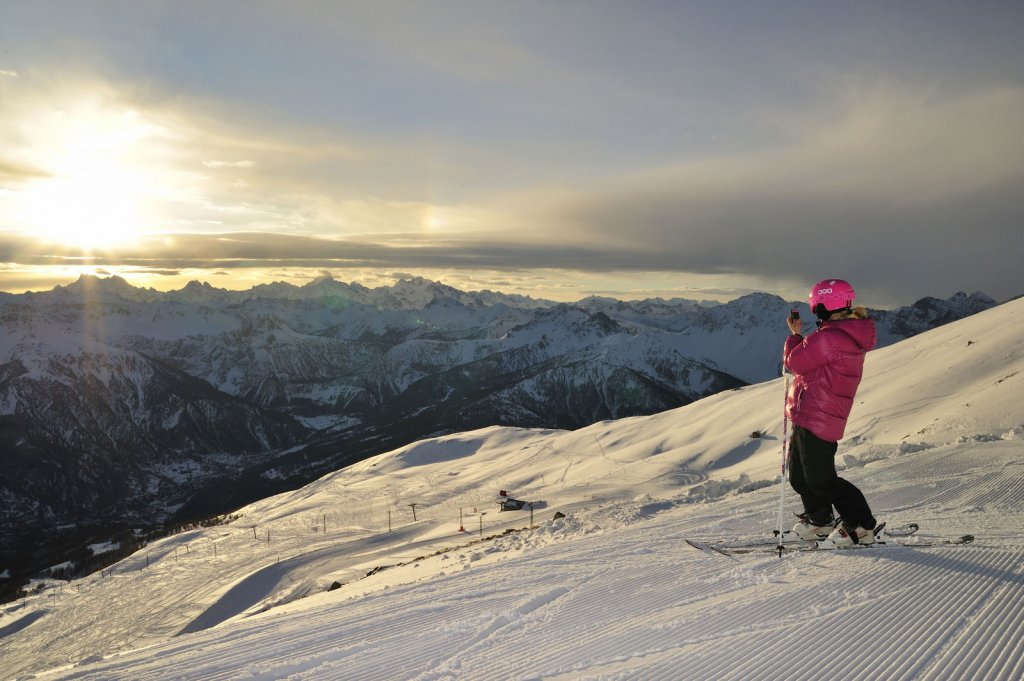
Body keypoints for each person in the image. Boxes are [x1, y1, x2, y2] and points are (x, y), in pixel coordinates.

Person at [784, 278, 878, 547]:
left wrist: (793, 336)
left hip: (820, 417)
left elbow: (795, 362)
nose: (814, 311)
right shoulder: (836, 334)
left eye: (816, 306)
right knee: (800, 478)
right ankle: (820, 521)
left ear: (823, 305)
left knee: (822, 480)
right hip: (809, 413)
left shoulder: (830, 338)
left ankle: (862, 526)